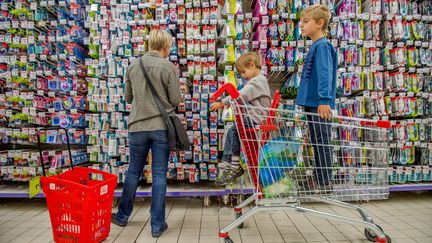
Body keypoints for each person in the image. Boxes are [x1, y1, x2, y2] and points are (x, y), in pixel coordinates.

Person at [111, 29, 181, 238]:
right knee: (159, 174)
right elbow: (176, 100)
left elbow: (129, 98)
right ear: (165, 46)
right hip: (160, 126)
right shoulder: (168, 66)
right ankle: (157, 225)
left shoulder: (133, 65)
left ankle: (122, 216)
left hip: (137, 128)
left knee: (133, 171)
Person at [211, 52, 271, 185]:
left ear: (252, 65)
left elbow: (240, 95)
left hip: (256, 118)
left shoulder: (257, 81)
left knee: (234, 130)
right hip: (255, 117)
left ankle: (231, 165)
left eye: (244, 72)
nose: (243, 76)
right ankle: (231, 165)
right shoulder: (257, 80)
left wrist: (222, 102)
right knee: (234, 130)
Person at [295, 5, 337, 192]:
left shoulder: (323, 46)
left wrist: (324, 100)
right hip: (312, 103)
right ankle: (320, 178)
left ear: (320, 23)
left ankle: (325, 181)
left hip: (319, 104)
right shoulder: (316, 46)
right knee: (317, 141)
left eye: (306, 21)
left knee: (322, 142)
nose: (301, 25)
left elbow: (325, 74)